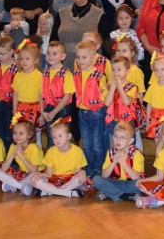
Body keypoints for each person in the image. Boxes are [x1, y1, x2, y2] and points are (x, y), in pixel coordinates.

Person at [51, 0, 107, 71]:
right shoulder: (61, 13)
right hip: (63, 68)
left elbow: (105, 45)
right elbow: (53, 41)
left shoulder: (99, 15)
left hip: (90, 70)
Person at [73, 40, 109, 176]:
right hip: (82, 112)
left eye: (84, 57)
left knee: (97, 143)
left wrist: (98, 104)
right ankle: (89, 169)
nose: (80, 60)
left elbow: (105, 94)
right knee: (86, 143)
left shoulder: (99, 75)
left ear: (93, 58)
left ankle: (98, 169)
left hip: (96, 113)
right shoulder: (77, 74)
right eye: (78, 57)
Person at [31, 119, 88, 198]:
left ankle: (49, 191)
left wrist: (82, 173)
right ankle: (68, 193)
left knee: (82, 176)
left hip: (70, 180)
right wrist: (38, 174)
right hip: (54, 179)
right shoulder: (50, 151)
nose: (57, 139)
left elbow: (77, 173)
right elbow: (49, 174)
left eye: (60, 136)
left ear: (68, 136)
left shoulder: (78, 151)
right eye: (54, 137)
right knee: (34, 179)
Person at [91, 121, 145, 202]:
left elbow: (136, 178)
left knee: (140, 184)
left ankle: (110, 193)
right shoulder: (111, 152)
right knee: (96, 180)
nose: (118, 140)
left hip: (131, 184)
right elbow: (104, 176)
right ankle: (125, 196)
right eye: (116, 136)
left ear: (130, 141)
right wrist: (113, 163)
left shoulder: (136, 153)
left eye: (122, 138)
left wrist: (123, 163)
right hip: (116, 182)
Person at [103, 56, 146, 152]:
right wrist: (113, 88)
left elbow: (127, 101)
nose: (116, 73)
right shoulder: (110, 87)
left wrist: (120, 87)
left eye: (119, 69)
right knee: (113, 148)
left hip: (127, 122)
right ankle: (115, 165)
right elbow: (106, 103)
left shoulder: (132, 87)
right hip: (112, 122)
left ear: (127, 72)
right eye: (113, 70)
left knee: (128, 148)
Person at [0, 121, 44, 193]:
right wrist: (13, 154)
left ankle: (13, 184)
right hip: (21, 173)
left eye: (21, 133)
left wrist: (21, 156)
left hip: (35, 173)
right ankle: (21, 187)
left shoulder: (34, 148)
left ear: (29, 135)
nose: (17, 136)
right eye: (15, 133)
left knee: (36, 178)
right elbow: (3, 169)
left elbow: (34, 170)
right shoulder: (13, 146)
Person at [40, 41, 75, 146]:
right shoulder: (45, 72)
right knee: (51, 137)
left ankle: (64, 160)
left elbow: (67, 96)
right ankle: (52, 160)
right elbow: (41, 94)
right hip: (47, 110)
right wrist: (42, 112)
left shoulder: (66, 73)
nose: (50, 56)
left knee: (62, 137)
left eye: (55, 53)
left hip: (61, 109)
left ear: (63, 56)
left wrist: (54, 112)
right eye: (48, 53)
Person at [11, 43, 44, 142]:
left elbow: (41, 96)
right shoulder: (18, 75)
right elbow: (15, 94)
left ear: (36, 60)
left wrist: (42, 113)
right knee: (21, 134)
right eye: (21, 59)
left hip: (35, 109)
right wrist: (14, 111)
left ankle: (35, 155)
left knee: (34, 135)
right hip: (21, 109)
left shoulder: (39, 76)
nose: (24, 62)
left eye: (27, 59)